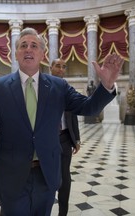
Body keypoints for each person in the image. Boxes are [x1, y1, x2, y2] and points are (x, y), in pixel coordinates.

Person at [0, 27, 124, 216]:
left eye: (34, 45)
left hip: (47, 175)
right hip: (11, 176)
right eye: (23, 45)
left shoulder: (58, 86)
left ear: (42, 54)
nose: (28, 49)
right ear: (16, 54)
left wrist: (107, 85)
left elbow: (88, 108)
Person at [50, 58, 81, 216]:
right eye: (58, 66)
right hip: (46, 140)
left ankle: (63, 213)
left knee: (65, 177)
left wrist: (76, 138)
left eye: (64, 66)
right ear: (51, 68)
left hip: (64, 138)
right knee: (46, 177)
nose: (61, 69)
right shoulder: (41, 88)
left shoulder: (68, 89)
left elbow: (73, 115)